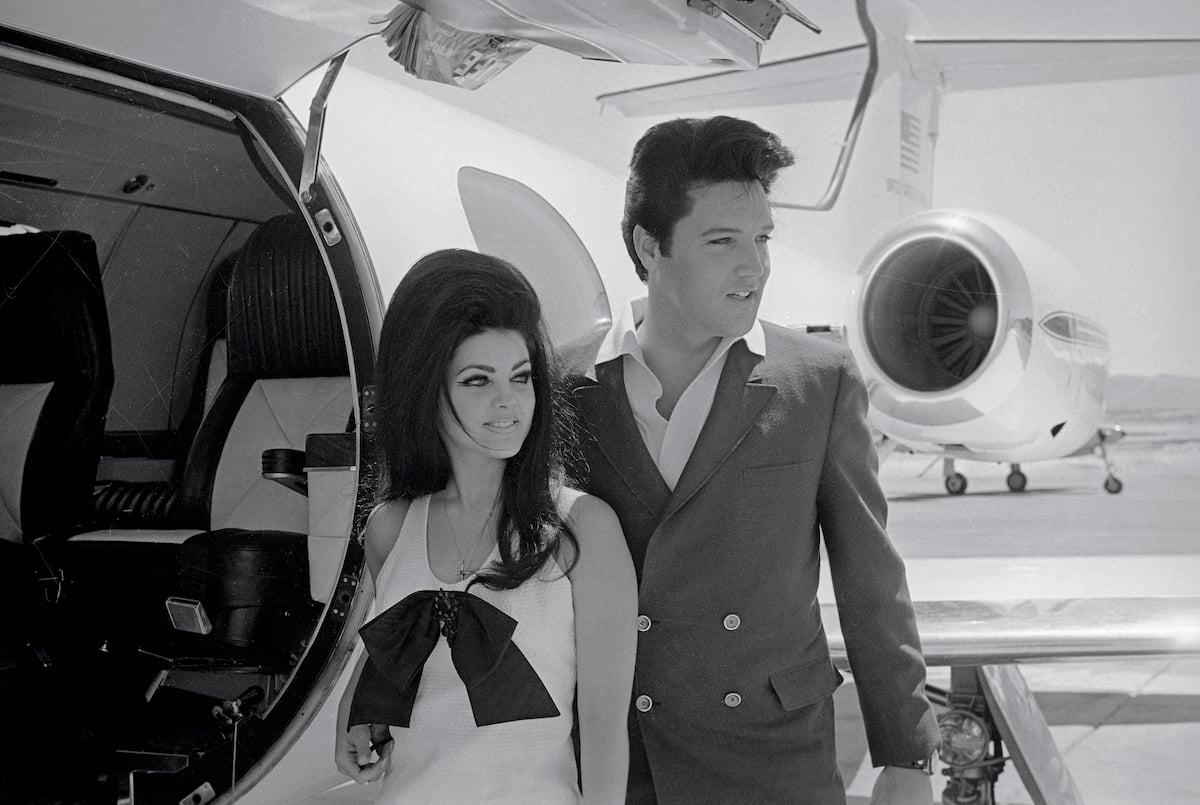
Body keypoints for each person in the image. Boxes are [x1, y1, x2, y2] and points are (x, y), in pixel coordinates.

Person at [568, 116, 940, 804]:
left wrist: (906, 756)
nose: (756, 266)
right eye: (722, 242)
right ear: (651, 247)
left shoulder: (818, 380)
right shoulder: (567, 387)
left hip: (775, 763)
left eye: (762, 238)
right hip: (620, 767)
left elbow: (871, 584)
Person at [334, 249, 637, 803]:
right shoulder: (389, 528)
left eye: (521, 377)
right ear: (426, 388)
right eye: (478, 380)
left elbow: (603, 729)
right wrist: (354, 717)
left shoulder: (581, 529)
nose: (509, 402)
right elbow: (399, 654)